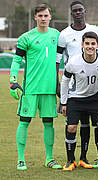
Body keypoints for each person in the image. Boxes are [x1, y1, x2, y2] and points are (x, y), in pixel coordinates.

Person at [9, 3, 62, 170]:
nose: (43, 19)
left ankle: (49, 158)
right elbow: (17, 60)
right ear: (35, 18)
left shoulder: (57, 35)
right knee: (24, 122)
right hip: (30, 88)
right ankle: (21, 159)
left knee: (49, 123)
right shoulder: (26, 37)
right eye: (40, 16)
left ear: (50, 17)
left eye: (46, 16)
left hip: (49, 89)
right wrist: (12, 81)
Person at [56, 1, 98, 169]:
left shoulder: (95, 30)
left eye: (80, 10)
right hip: (73, 86)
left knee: (87, 123)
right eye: (74, 11)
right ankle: (71, 159)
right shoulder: (64, 35)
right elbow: (58, 60)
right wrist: (58, 82)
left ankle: (84, 157)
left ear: (85, 11)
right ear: (71, 13)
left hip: (91, 84)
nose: (77, 13)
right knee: (72, 124)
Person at [60, 31, 98, 171]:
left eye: (93, 44)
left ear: (97, 45)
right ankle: (71, 161)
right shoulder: (73, 62)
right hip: (76, 99)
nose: (90, 46)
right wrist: (64, 102)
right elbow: (65, 82)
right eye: (87, 43)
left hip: (96, 97)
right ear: (82, 45)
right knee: (71, 128)